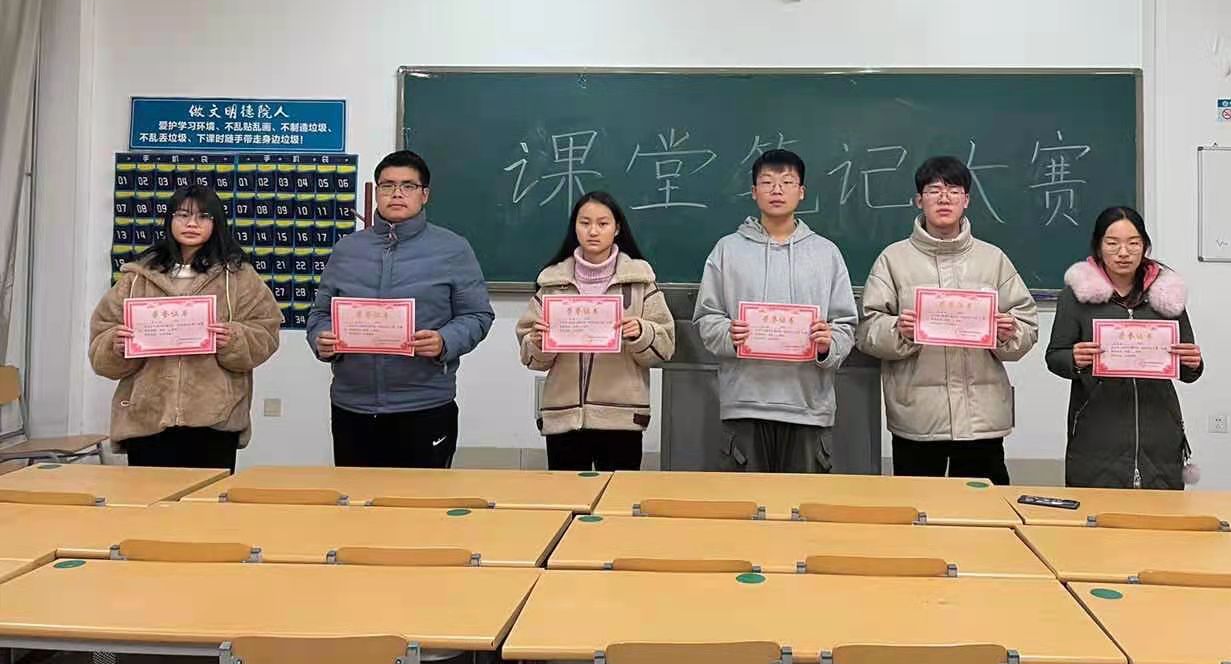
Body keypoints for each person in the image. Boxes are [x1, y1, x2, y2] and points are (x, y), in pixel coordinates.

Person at [856, 156, 1038, 484]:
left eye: (953, 190)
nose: (944, 198)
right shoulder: (893, 260)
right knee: (920, 510)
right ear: (918, 200)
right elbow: (867, 329)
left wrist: (1007, 333)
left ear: (966, 200)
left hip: (981, 421)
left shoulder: (993, 259)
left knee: (983, 512)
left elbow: (1026, 326)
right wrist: (899, 330)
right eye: (934, 190)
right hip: (917, 419)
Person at [308, 150, 494, 468]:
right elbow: (319, 314)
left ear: (425, 195)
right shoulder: (347, 250)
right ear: (377, 191)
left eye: (408, 186)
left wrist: (444, 341)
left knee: (422, 499)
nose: (396, 193)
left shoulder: (452, 249)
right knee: (358, 498)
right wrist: (321, 338)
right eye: (387, 185)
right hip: (352, 406)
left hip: (424, 404)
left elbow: (477, 315)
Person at [88, 185, 282, 472]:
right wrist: (115, 345)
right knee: (150, 500)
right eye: (182, 215)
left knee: (206, 500)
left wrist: (233, 339)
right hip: (147, 419)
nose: (192, 224)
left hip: (214, 420)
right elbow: (101, 338)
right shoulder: (137, 278)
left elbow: (266, 331)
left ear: (216, 223)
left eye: (203, 216)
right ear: (169, 220)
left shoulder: (238, 277)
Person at [693, 148, 857, 474]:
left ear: (802, 191)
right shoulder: (727, 250)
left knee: (803, 504)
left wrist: (828, 344)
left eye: (787, 182)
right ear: (754, 192)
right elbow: (707, 316)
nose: (777, 190)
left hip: (808, 406)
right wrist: (728, 335)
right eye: (767, 182)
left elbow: (846, 324)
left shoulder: (826, 253)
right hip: (745, 404)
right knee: (746, 504)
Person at [1046, 205, 1204, 490]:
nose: (1123, 252)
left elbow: (1187, 367)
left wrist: (1193, 363)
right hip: (1097, 433)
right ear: (1098, 246)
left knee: (1160, 515)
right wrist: (1075, 358)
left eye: (1133, 243)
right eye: (1112, 243)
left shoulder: (1167, 295)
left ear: (1145, 246)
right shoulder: (1076, 297)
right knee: (1097, 514)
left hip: (1160, 433)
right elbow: (1055, 356)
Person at [516, 191, 676, 471]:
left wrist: (641, 332)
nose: (593, 231)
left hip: (621, 418)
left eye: (603, 223)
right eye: (585, 223)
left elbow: (665, 347)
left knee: (617, 497)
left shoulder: (640, 282)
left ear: (617, 228)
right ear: (574, 227)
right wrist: (539, 341)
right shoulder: (553, 283)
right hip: (563, 418)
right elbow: (531, 357)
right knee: (566, 496)